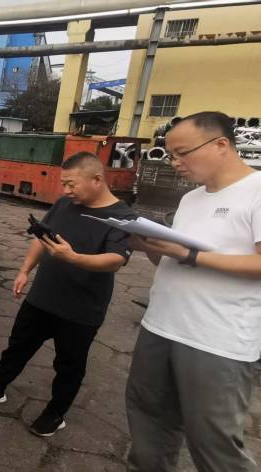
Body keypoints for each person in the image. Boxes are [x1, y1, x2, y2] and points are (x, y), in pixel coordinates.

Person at [0, 152, 136, 437]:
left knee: (69, 365)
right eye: (63, 184)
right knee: (17, 347)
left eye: (71, 184)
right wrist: (24, 270)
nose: (65, 191)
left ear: (96, 179)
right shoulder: (65, 204)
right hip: (42, 298)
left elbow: (116, 260)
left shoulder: (123, 217)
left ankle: (56, 413)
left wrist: (73, 258)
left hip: (81, 309)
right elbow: (43, 238)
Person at [126, 111, 261, 472]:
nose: (174, 162)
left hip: (216, 341)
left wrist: (191, 255)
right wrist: (150, 246)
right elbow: (174, 260)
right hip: (160, 326)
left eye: (182, 153)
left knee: (214, 442)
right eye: (170, 154)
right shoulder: (191, 199)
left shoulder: (256, 191)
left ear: (221, 145)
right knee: (148, 422)